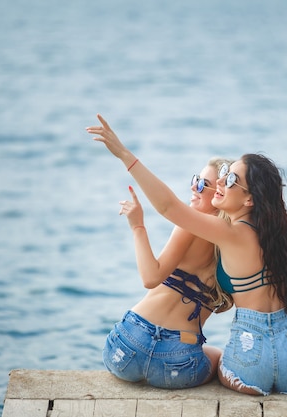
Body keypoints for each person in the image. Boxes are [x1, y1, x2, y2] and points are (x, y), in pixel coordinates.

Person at [88, 114, 287, 396]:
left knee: (225, 360)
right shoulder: (276, 238)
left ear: (250, 198)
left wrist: (126, 157)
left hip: (137, 348)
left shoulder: (226, 232)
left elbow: (168, 208)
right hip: (285, 355)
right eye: (217, 179)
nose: (218, 185)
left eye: (229, 179)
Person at [102, 156, 234, 389]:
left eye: (203, 184)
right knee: (217, 355)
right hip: (177, 361)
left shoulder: (191, 224)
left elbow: (150, 277)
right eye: (196, 179)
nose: (194, 186)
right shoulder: (239, 245)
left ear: (220, 194)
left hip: (127, 345)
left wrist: (138, 227)